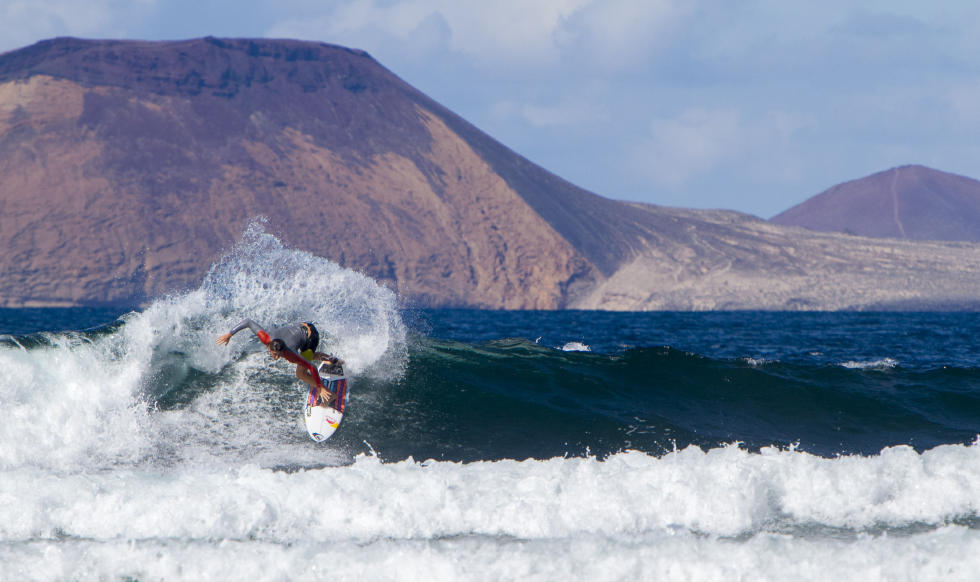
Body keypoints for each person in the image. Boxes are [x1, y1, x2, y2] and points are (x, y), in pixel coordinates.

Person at [216, 319, 344, 407]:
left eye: (278, 354)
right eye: (273, 353)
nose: (276, 357)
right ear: (268, 346)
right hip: (302, 326)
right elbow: (248, 322)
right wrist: (229, 334)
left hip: (310, 336)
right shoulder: (266, 338)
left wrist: (320, 387)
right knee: (307, 357)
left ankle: (330, 395)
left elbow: (312, 367)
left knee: (300, 373)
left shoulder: (291, 354)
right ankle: (332, 360)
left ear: (284, 351)